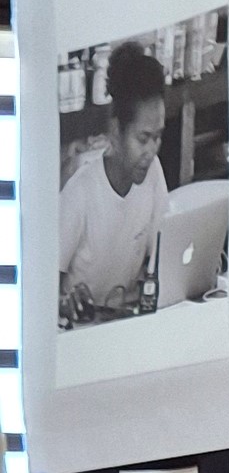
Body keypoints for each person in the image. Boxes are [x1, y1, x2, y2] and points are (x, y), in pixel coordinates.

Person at [58, 41, 171, 321]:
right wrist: (64, 302)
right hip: (86, 328)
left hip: (128, 320)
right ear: (116, 131)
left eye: (158, 137)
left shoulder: (153, 173)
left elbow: (162, 255)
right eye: (143, 138)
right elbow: (43, 289)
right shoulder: (81, 193)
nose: (152, 150)